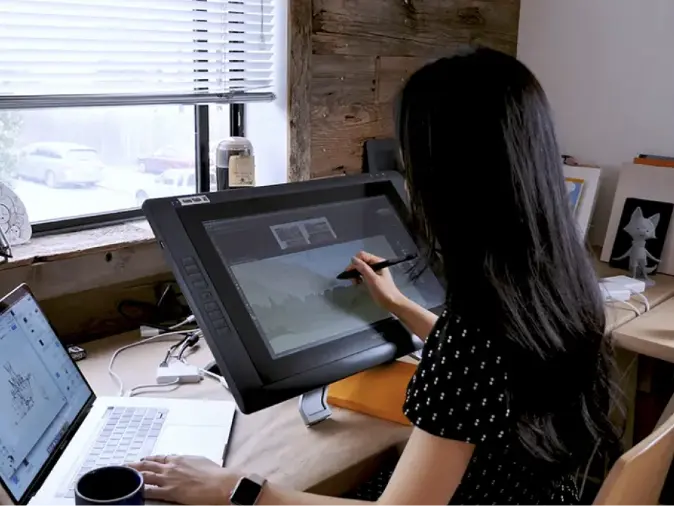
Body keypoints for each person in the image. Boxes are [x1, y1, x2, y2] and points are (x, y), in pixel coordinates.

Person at [130, 47, 621, 506]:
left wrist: (236, 489)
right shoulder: (560, 283)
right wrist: (402, 306)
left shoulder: (474, 337)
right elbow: (501, 367)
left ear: (449, 179)